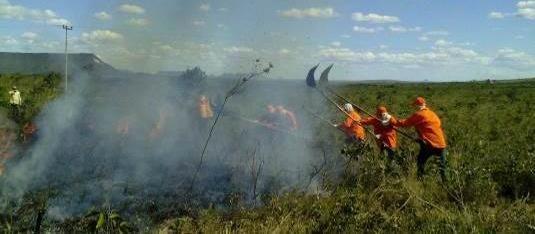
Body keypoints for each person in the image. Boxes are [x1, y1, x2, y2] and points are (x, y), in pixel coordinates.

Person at [393, 97, 447, 181]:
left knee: (421, 161)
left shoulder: (418, 114)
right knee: (443, 168)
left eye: (415, 106)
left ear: (417, 106)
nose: (414, 108)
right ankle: (446, 184)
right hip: (442, 144)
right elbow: (432, 127)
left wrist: (390, 120)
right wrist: (421, 138)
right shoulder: (433, 113)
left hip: (430, 144)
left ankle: (420, 180)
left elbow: (403, 123)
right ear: (424, 104)